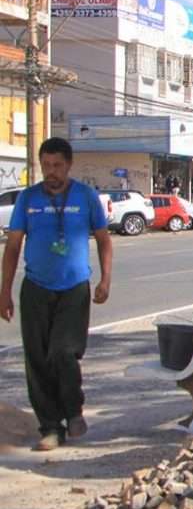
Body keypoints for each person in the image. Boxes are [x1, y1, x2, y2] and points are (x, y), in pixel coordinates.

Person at [0, 137, 112, 451]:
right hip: (36, 288)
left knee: (63, 352)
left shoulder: (86, 196)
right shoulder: (28, 198)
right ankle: (50, 427)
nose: (51, 171)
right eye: (46, 165)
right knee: (37, 360)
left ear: (69, 165)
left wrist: (105, 280)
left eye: (57, 165)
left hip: (74, 288)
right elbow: (13, 247)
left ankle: (73, 410)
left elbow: (104, 240)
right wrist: (4, 292)